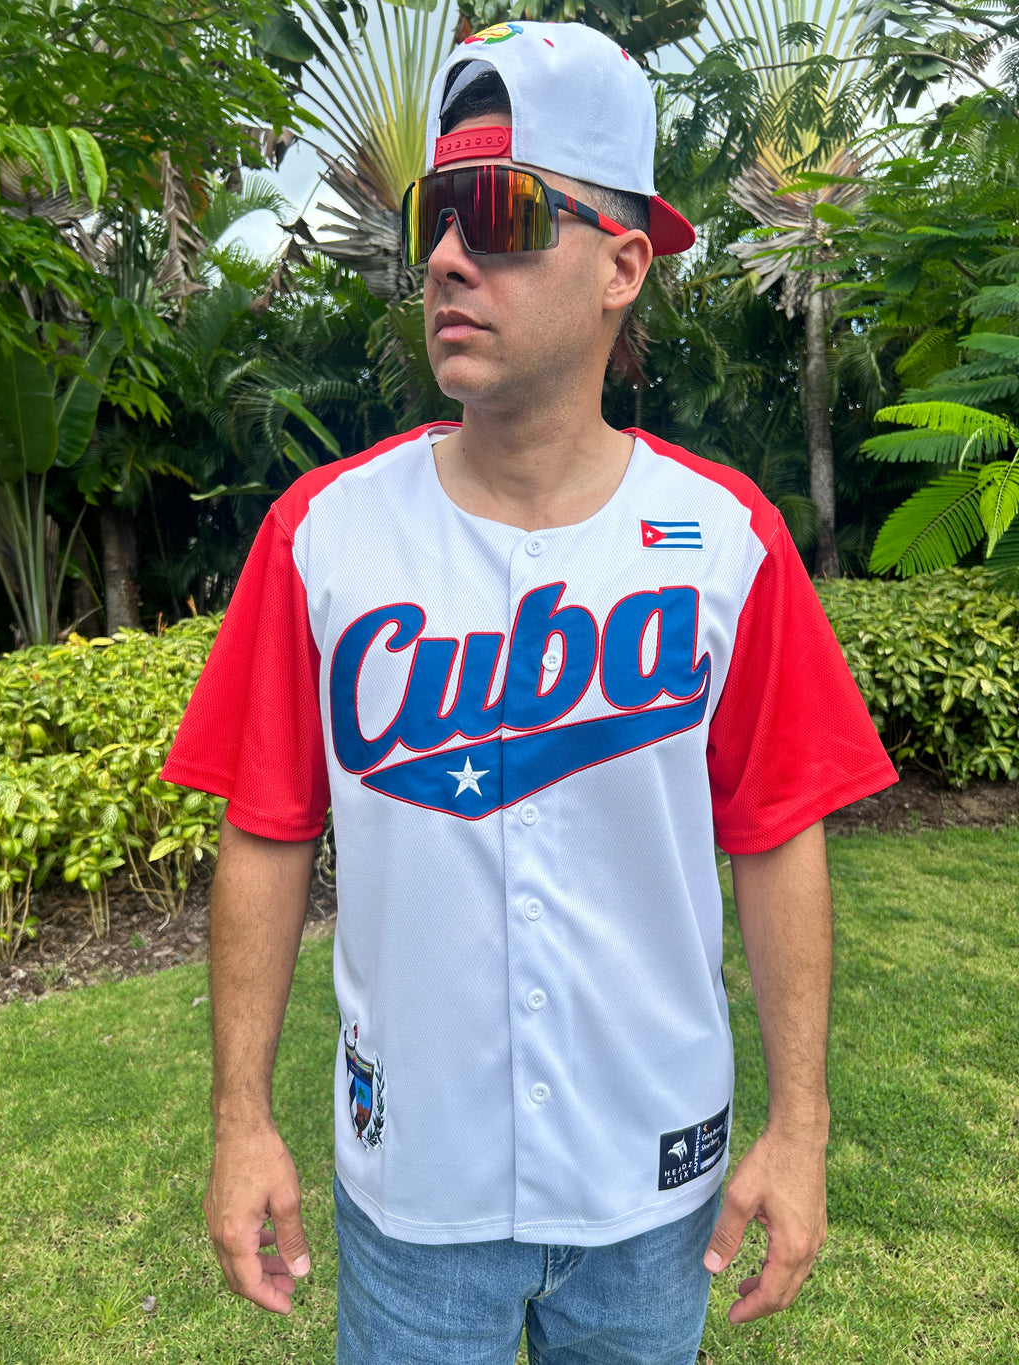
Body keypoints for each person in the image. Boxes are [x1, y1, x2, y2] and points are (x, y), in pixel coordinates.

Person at [162, 20, 897, 1365]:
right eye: (435, 218)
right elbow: (266, 831)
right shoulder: (322, 535)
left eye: (499, 215)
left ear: (624, 265)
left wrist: (802, 1127)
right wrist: (238, 1118)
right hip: (412, 1189)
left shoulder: (727, 541)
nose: (449, 256)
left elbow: (778, 832)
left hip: (655, 1186)